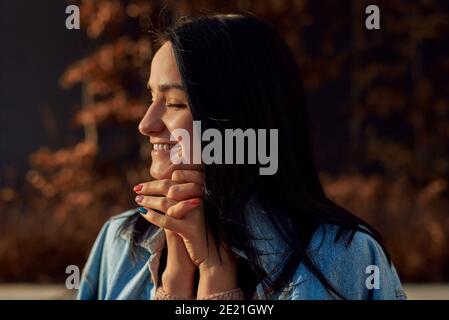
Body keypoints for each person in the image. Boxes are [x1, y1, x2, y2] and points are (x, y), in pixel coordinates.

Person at [77, 13, 407, 300]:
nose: (146, 124)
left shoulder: (345, 256)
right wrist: (174, 278)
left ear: (240, 116)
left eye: (176, 103)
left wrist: (216, 276)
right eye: (151, 97)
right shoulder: (121, 242)